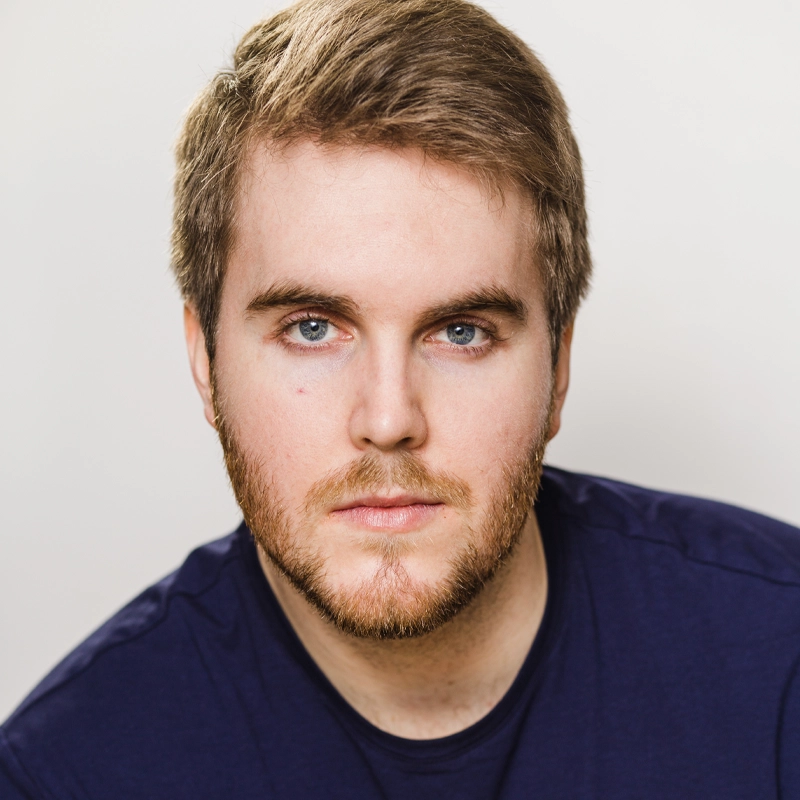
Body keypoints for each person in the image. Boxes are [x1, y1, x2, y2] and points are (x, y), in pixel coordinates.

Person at [2, 0, 798, 796]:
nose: (388, 420)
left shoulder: (780, 661)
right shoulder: (63, 775)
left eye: (461, 332)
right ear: (204, 362)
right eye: (312, 328)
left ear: (558, 367)